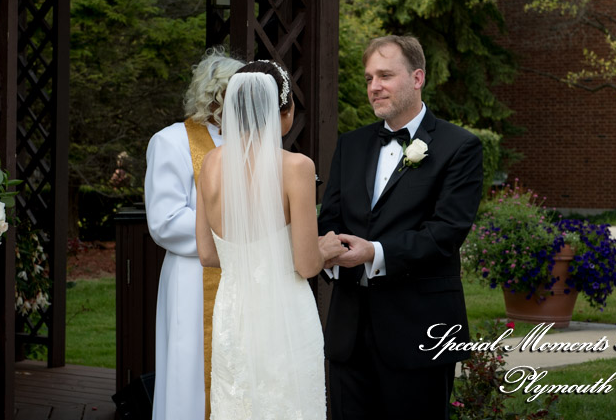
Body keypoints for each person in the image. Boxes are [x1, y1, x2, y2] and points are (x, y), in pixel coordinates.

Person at [318, 35, 484, 419]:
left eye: (386, 75)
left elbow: (446, 232)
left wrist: (374, 253)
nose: (374, 86)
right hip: (349, 332)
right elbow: (331, 219)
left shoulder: (460, 147)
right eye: (368, 78)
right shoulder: (351, 145)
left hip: (420, 332)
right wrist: (329, 250)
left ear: (417, 78)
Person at [195, 61, 344, 419]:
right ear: (285, 109)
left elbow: (206, 254)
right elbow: (306, 264)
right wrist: (327, 246)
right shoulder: (296, 167)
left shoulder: (210, 165)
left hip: (233, 315)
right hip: (285, 317)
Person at [144, 48, 243, 420]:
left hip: (244, 277)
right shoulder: (170, 141)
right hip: (193, 278)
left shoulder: (251, 142)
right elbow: (165, 220)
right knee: (192, 372)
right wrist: (237, 231)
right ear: (216, 94)